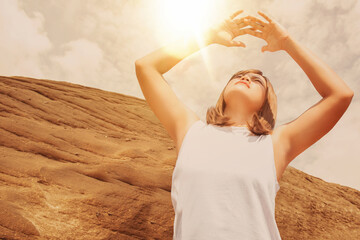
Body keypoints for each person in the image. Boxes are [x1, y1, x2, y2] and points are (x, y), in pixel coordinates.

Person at [135, 9, 354, 240]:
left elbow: (340, 95)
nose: (246, 78)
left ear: (266, 102)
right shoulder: (190, 131)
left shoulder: (275, 144)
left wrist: (287, 43)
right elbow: (145, 67)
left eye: (257, 80)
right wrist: (207, 37)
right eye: (239, 76)